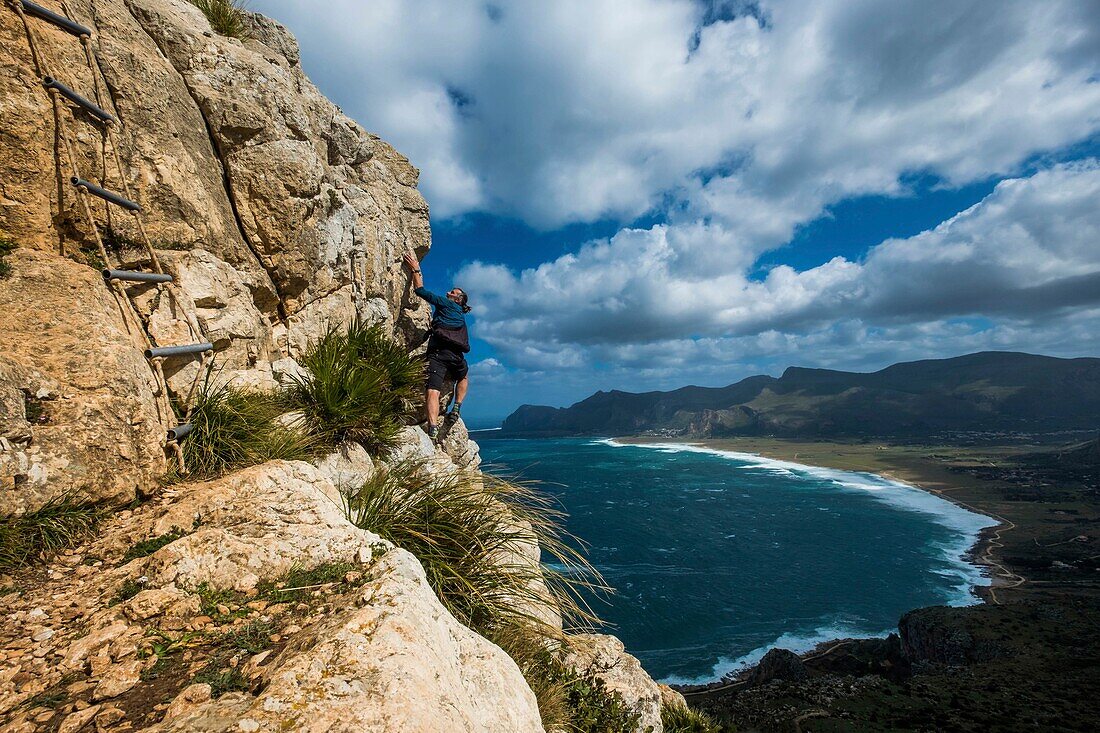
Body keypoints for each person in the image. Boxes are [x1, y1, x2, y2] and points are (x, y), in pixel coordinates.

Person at [403, 251, 471, 440]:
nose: (448, 292)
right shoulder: (460, 315)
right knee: (464, 376)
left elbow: (421, 291)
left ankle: (432, 427)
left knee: (433, 389)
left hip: (439, 354)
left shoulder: (445, 304)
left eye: (453, 292)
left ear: (456, 299)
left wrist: (416, 268)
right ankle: (457, 404)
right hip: (457, 355)